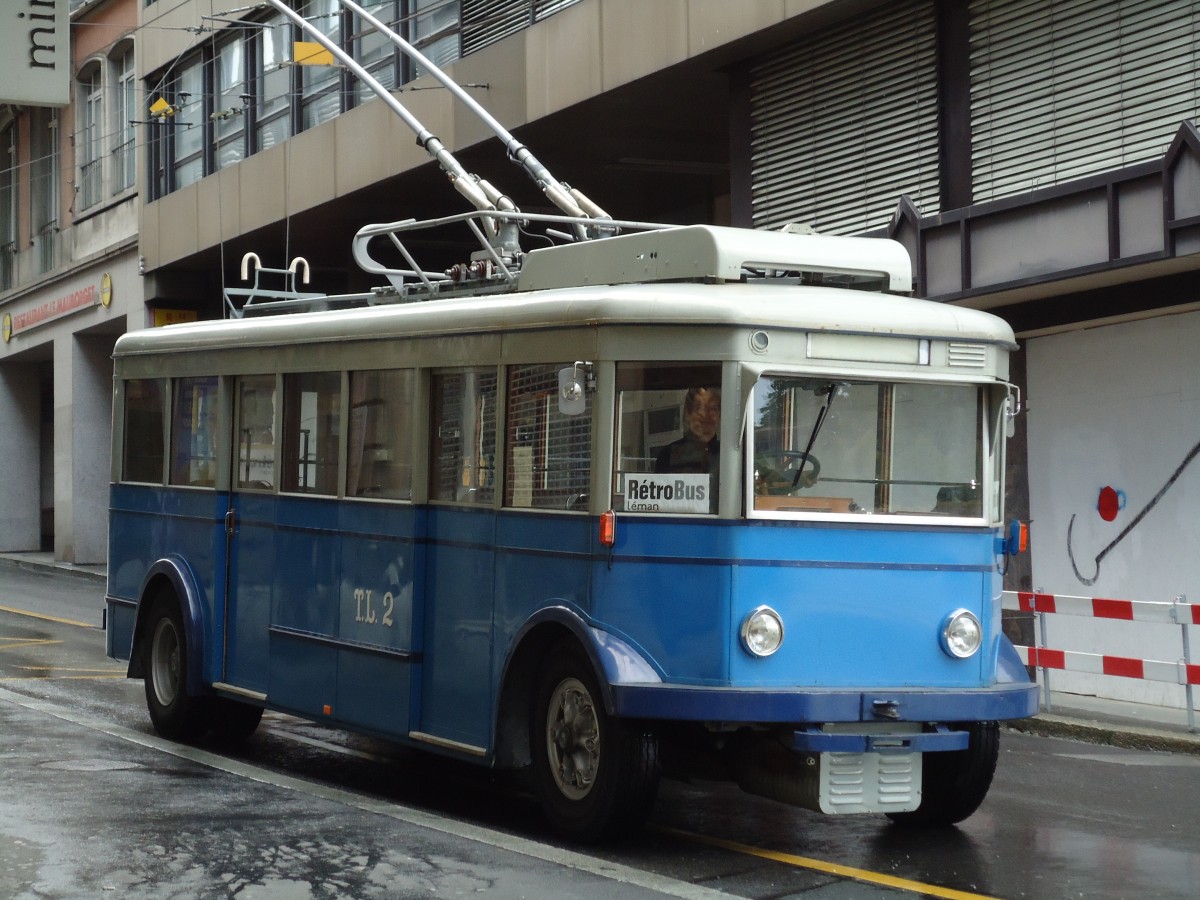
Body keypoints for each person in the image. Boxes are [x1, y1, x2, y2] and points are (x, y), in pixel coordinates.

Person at [655, 386, 720, 476]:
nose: (705, 415)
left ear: (720, 416)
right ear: (688, 413)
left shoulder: (729, 457)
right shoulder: (668, 455)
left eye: (713, 408)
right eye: (698, 408)